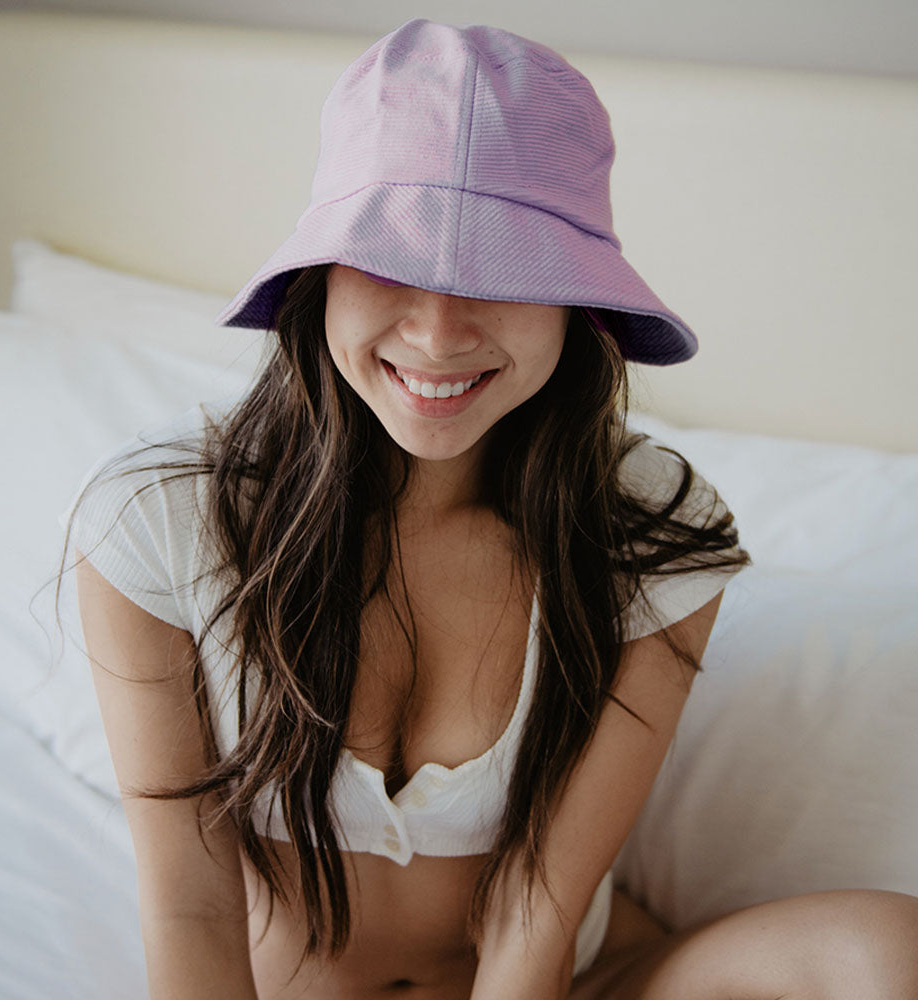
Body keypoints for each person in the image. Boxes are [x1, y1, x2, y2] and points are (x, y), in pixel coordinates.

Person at [61, 18, 918, 1000]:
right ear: (320, 276)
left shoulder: (648, 533)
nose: (436, 332)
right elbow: (190, 910)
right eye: (392, 259)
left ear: (574, 300)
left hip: (572, 979)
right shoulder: (161, 522)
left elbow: (538, 908)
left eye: (502, 272)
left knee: (887, 954)